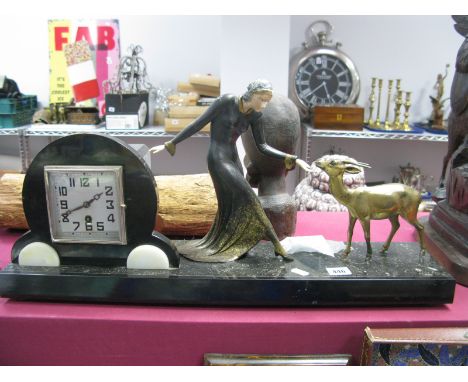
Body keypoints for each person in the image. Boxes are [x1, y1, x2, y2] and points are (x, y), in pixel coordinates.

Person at [150, 79, 311, 262]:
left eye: (267, 101)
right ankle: (278, 246)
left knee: (234, 202)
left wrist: (290, 158)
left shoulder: (255, 116)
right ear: (252, 94)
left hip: (233, 158)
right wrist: (171, 143)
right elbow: (198, 123)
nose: (264, 105)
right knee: (251, 199)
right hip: (218, 158)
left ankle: (231, 240)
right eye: (262, 99)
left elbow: (263, 146)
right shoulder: (227, 102)